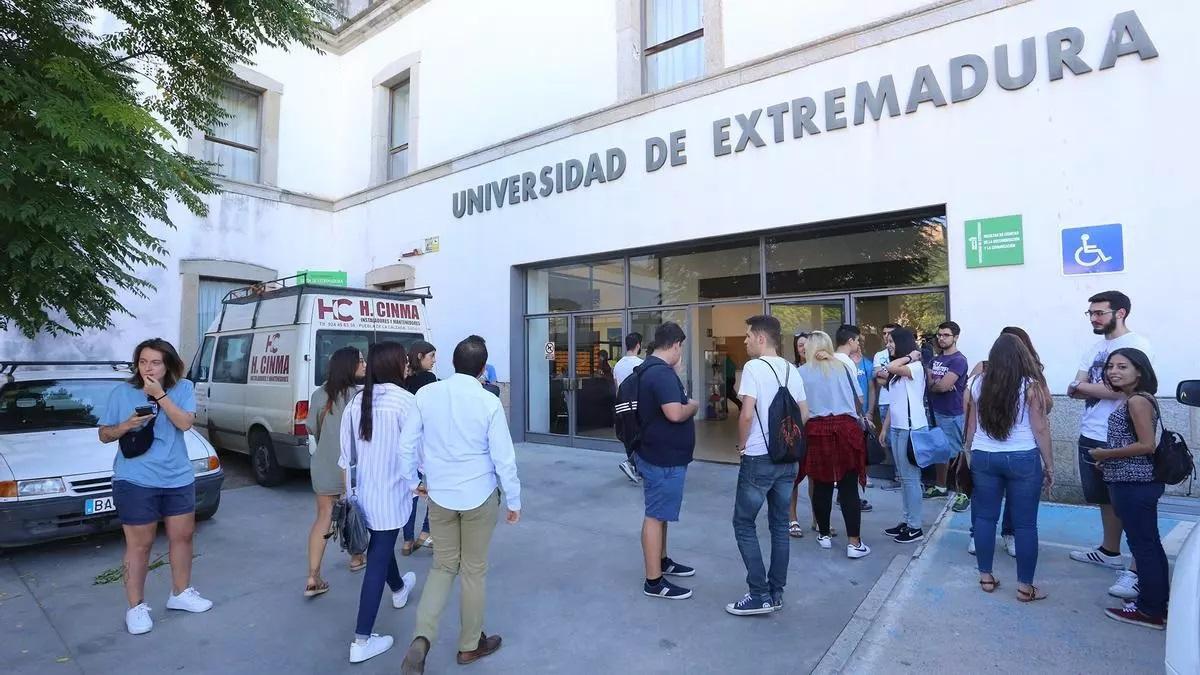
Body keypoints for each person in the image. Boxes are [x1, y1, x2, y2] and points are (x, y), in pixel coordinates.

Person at [399, 336, 522, 674]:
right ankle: (469, 645)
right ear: (483, 368)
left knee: (442, 567)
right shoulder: (488, 402)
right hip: (479, 496)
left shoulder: (426, 395)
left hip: (439, 496)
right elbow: (503, 458)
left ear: (453, 363)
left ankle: (421, 640)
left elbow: (406, 444)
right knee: (473, 570)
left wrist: (414, 483)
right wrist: (514, 499)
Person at [98, 338, 212, 635]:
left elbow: (185, 423)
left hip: (177, 476)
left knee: (183, 537)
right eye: (143, 361)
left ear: (168, 364)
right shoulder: (121, 392)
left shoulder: (183, 388)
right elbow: (105, 435)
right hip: (136, 479)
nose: (148, 367)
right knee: (140, 544)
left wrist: (160, 395)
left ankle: (181, 593)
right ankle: (135, 607)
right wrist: (126, 426)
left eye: (156, 362)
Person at [339, 341, 419, 663]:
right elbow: (414, 453)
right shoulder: (407, 402)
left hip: (359, 497)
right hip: (390, 496)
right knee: (377, 559)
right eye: (405, 361)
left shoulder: (357, 402)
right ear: (396, 366)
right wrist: (419, 484)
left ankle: (399, 590)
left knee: (381, 549)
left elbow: (346, 457)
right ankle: (361, 639)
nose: (408, 366)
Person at [726, 316, 809, 616]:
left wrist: (743, 445)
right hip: (787, 459)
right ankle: (776, 592)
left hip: (759, 458)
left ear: (762, 339)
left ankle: (758, 593)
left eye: (748, 336)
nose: (745, 341)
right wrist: (789, 441)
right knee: (779, 526)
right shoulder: (792, 369)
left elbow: (746, 414)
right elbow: (804, 414)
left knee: (743, 523)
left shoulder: (753, 367)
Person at [1067, 291, 1153, 572]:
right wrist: (1093, 389)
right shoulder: (1092, 349)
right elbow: (1075, 391)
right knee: (1104, 499)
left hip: (1121, 437)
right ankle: (1110, 551)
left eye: (1100, 313)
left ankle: (1137, 571)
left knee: (1128, 504)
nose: (1094, 318)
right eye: (1091, 313)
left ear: (1121, 313)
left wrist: (1084, 387)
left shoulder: (1137, 344)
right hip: (1090, 432)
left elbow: (1127, 390)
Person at [964, 334, 1054, 602]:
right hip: (1022, 457)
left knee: (984, 518)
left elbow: (970, 425)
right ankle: (1025, 587)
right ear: (1021, 357)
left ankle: (986, 577)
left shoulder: (977, 383)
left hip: (984, 456)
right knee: (1025, 525)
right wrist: (1049, 465)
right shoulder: (1030, 385)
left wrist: (970, 453)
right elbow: (1040, 427)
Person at [1087, 348, 1168, 629]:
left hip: (1135, 484)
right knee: (1149, 544)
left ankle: (1149, 611)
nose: (1113, 372)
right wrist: (1109, 461)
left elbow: (1147, 445)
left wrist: (1104, 455)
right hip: (1132, 480)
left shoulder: (1137, 402)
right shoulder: (1134, 400)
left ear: (1140, 372)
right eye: (1110, 367)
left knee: (1143, 546)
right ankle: (1156, 602)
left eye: (1123, 367)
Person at [631, 322, 698, 601]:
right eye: (681, 347)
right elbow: (674, 413)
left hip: (658, 454)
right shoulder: (660, 374)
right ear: (675, 345)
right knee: (656, 515)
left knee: (661, 513)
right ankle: (654, 581)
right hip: (662, 458)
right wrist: (693, 405)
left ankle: (663, 560)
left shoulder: (653, 370)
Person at [801, 331, 873, 559]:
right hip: (845, 428)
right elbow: (859, 399)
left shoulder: (802, 372)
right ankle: (854, 542)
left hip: (816, 429)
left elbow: (798, 405)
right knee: (848, 487)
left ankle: (823, 535)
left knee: (821, 484)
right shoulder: (843, 367)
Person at [304, 347, 367, 597]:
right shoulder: (359, 396)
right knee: (354, 512)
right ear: (349, 366)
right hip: (350, 468)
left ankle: (313, 576)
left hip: (323, 465)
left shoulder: (319, 394)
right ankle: (356, 557)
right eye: (360, 361)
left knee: (324, 518)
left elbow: (311, 427)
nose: (364, 364)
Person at [879, 327, 928, 544]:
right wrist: (884, 428)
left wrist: (910, 356)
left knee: (910, 479)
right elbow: (894, 404)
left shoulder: (915, 366)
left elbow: (890, 366)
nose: (888, 345)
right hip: (899, 428)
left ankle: (915, 526)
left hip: (912, 429)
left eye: (891, 341)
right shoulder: (899, 373)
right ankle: (907, 521)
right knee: (904, 478)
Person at [401, 341, 437, 556]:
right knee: (433, 488)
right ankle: (426, 532)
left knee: (411, 493)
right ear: (421, 356)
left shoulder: (403, 379)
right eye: (431, 356)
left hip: (407, 440)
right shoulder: (429, 379)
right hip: (426, 439)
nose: (434, 360)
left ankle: (407, 540)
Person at [928, 321, 969, 507]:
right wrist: (939, 384)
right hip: (935, 412)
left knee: (957, 454)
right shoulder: (935, 359)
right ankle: (940, 486)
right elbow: (931, 385)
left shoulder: (959, 360)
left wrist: (937, 383)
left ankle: (963, 493)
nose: (941, 338)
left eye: (946, 335)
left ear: (956, 337)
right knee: (939, 452)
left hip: (953, 414)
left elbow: (943, 386)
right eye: (939, 335)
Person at [834, 324, 874, 513]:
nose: (858, 343)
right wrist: (862, 416)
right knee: (850, 465)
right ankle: (849, 499)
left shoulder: (831, 359)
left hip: (835, 418)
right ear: (850, 341)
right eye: (857, 340)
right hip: (848, 419)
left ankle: (844, 496)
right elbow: (856, 395)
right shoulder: (847, 362)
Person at [614, 332, 645, 483]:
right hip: (637, 406)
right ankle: (634, 466)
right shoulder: (640, 364)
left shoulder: (618, 365)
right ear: (638, 345)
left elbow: (617, 388)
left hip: (622, 407)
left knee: (627, 437)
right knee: (640, 437)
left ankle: (632, 466)